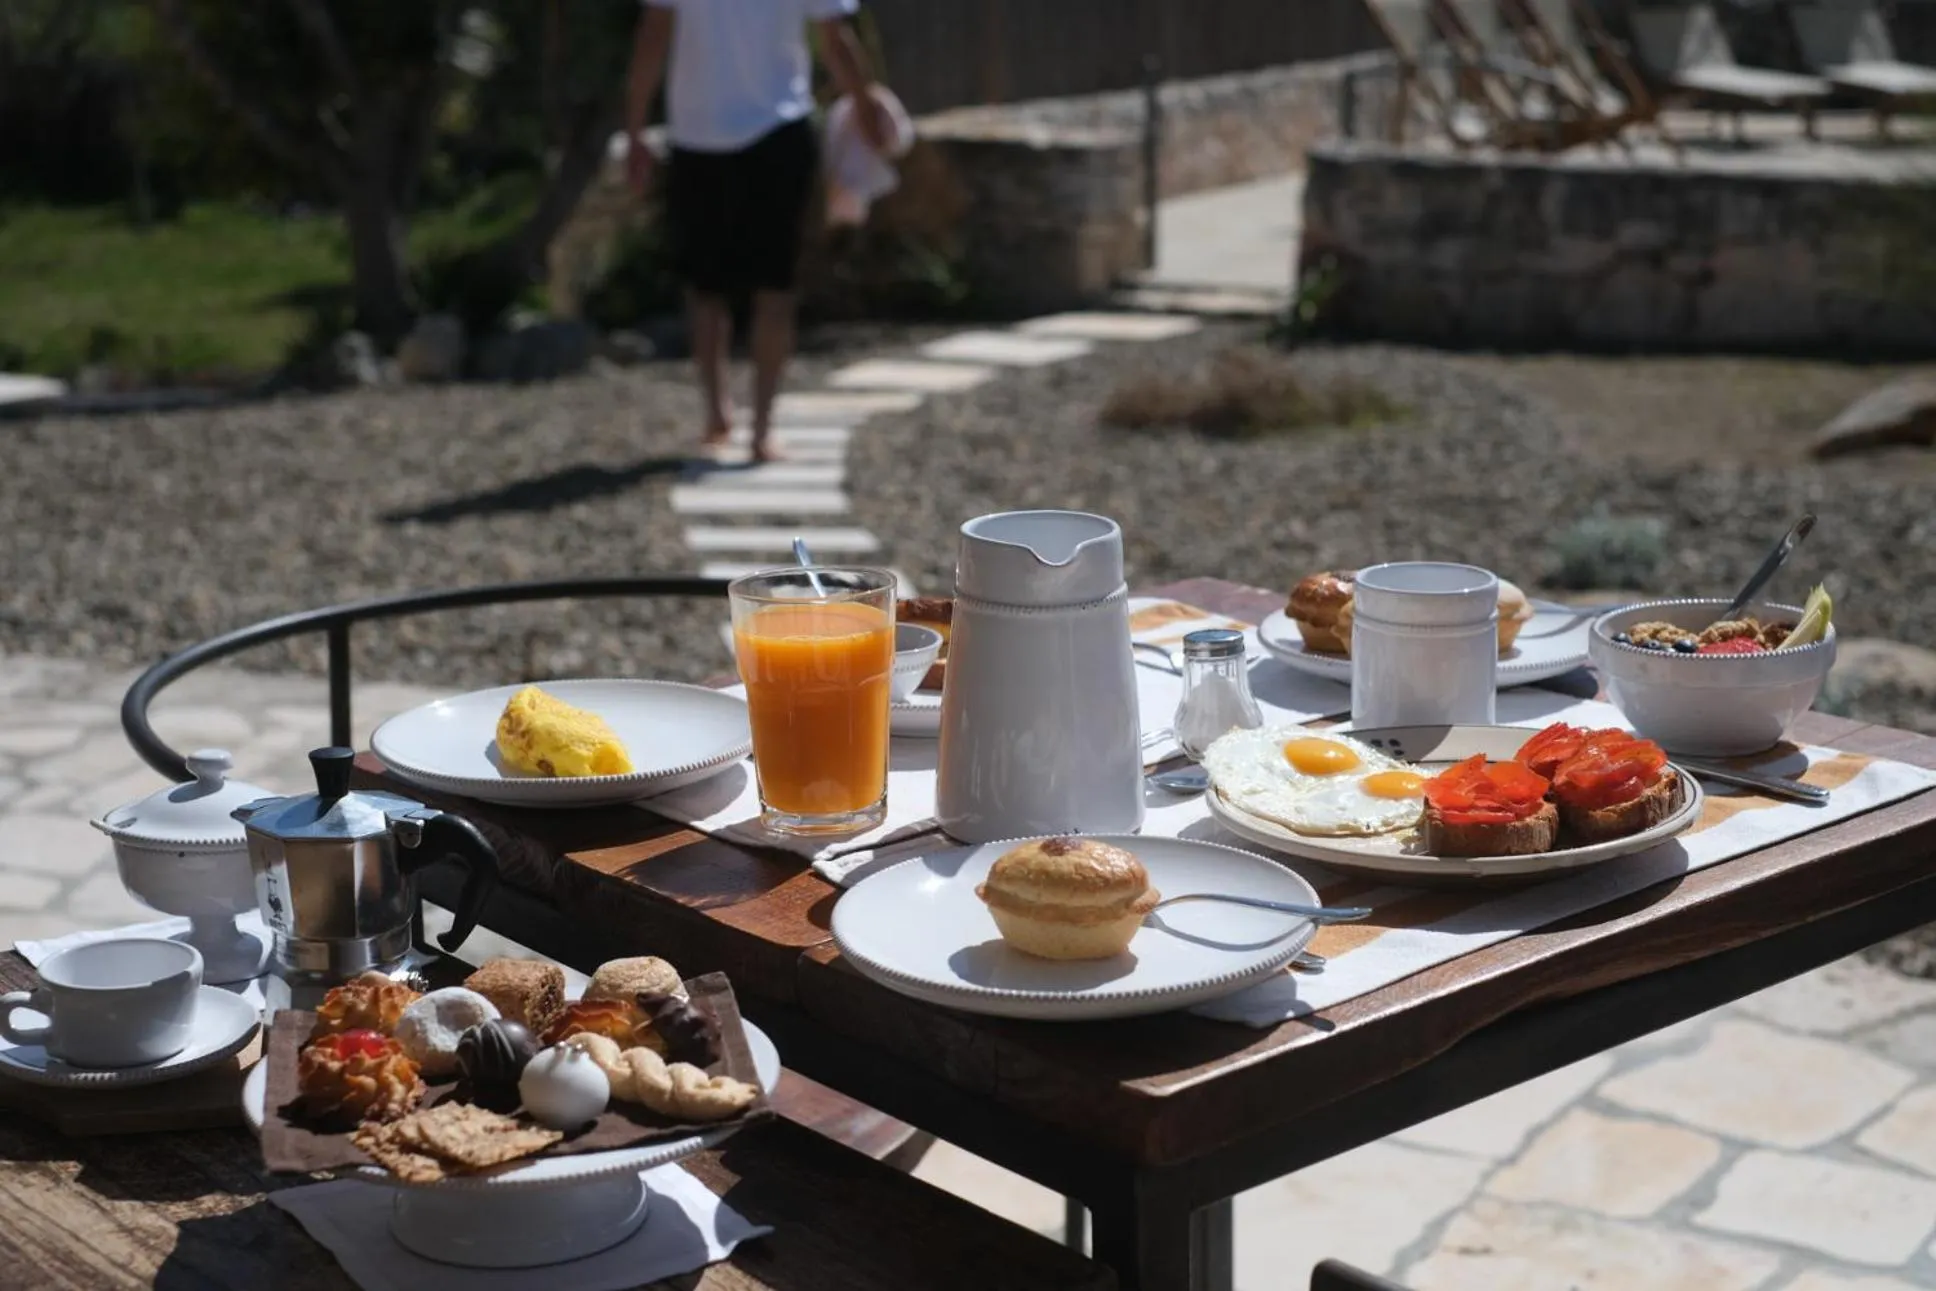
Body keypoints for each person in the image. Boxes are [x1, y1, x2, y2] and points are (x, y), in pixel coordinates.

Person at [624, 0, 894, 463]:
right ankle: (756, 428)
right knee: (766, 286)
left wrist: (634, 129)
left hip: (716, 132)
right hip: (758, 132)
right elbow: (836, 39)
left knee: (712, 284)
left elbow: (653, 36)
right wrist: (867, 107)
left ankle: (722, 414)